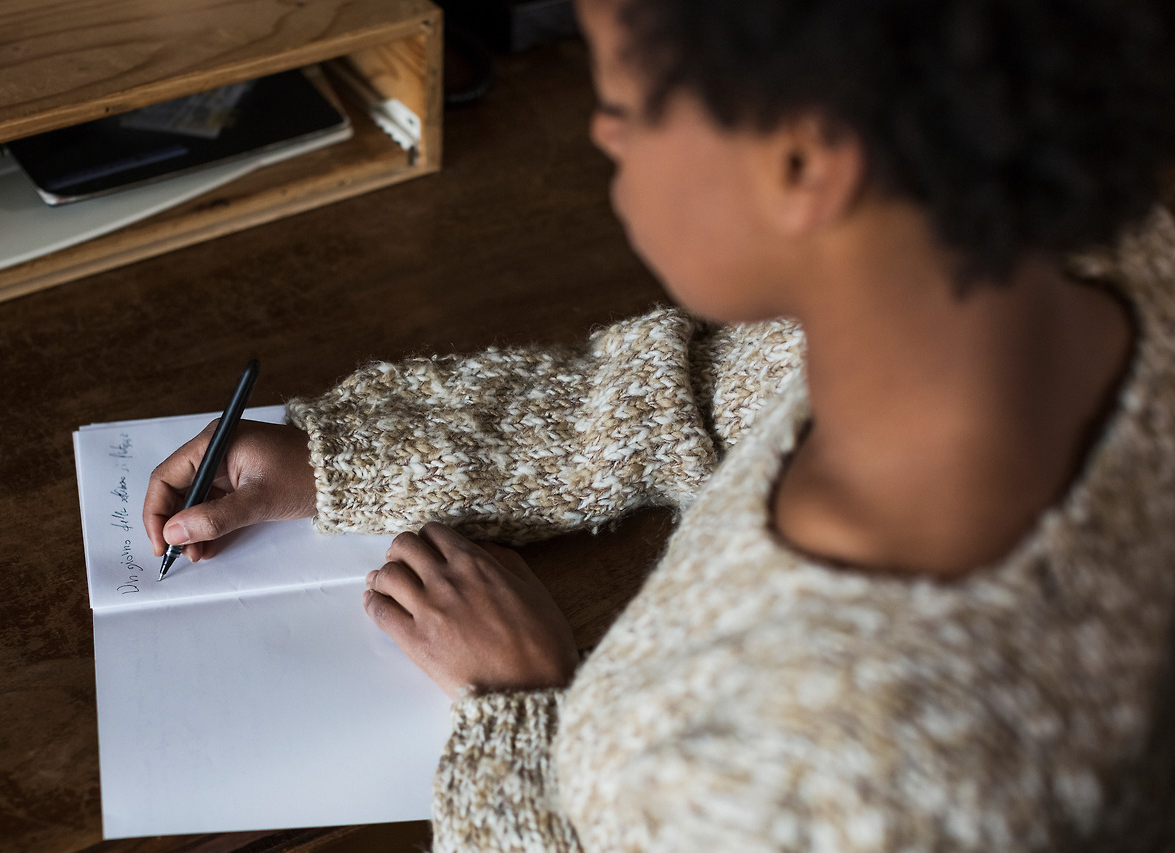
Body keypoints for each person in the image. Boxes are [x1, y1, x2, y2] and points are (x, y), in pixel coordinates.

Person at [144, 0, 1175, 848]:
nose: (601, 131)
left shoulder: (811, 770)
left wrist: (522, 712)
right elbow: (711, 390)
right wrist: (339, 459)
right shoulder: (1069, 252)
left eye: (626, 102)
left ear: (803, 164)